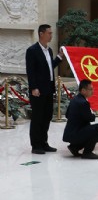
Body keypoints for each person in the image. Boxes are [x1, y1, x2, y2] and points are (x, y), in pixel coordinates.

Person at [25, 24, 63, 154]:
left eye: (51, 33)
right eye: (49, 33)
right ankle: (36, 145)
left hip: (48, 89)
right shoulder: (32, 50)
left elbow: (49, 67)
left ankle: (44, 142)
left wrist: (59, 57)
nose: (51, 35)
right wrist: (34, 87)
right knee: (37, 118)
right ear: (41, 34)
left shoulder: (49, 50)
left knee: (47, 116)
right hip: (38, 90)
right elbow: (30, 71)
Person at [62, 79, 98, 159]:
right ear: (83, 90)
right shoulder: (83, 103)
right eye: (90, 89)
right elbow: (90, 118)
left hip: (70, 133)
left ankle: (74, 147)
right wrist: (93, 115)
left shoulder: (75, 99)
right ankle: (87, 152)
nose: (92, 91)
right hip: (75, 133)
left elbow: (67, 115)